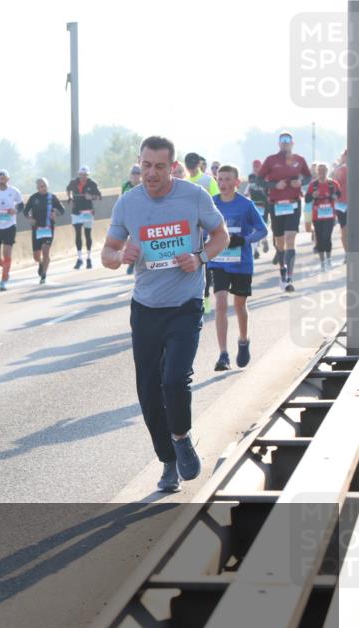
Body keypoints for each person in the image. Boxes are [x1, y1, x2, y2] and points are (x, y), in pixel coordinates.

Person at [102, 136, 228, 493]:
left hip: (185, 304)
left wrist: (200, 257)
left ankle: (181, 438)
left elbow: (221, 236)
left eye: (159, 166)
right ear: (139, 163)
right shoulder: (128, 203)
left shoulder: (194, 196)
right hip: (146, 308)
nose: (152, 173)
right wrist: (119, 257)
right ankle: (168, 460)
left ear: (172, 167)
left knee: (174, 380)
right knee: (148, 390)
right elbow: (107, 253)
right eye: (146, 165)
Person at [209, 166, 268, 371]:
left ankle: (243, 340)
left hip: (241, 263)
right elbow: (201, 228)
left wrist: (244, 240)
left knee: (239, 305)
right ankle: (223, 355)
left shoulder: (246, 205)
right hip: (219, 261)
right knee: (221, 303)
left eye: (227, 179)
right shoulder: (211, 204)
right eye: (220, 179)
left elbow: (262, 230)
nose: (223, 183)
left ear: (237, 182)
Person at [258, 131, 312, 292]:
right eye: (282, 140)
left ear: (292, 143)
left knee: (290, 238)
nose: (285, 142)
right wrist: (274, 185)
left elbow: (308, 177)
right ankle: (283, 269)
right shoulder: (271, 160)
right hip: (276, 204)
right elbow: (259, 180)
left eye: (288, 140)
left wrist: (300, 182)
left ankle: (289, 276)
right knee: (279, 241)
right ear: (279, 143)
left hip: (293, 203)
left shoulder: (299, 160)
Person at [184, 153, 220, 312]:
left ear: (199, 163)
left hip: (206, 230)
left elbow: (217, 202)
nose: (191, 167)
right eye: (189, 164)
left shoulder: (208, 180)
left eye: (193, 163)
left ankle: (205, 297)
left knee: (204, 263)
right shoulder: (183, 182)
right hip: (189, 231)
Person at [23, 178, 65, 284]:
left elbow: (62, 209)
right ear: (37, 187)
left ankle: (44, 275)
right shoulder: (33, 198)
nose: (44, 188)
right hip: (37, 229)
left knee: (46, 251)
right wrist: (29, 218)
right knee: (36, 256)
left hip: (48, 228)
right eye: (41, 186)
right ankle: (41, 262)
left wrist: (56, 214)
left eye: (45, 186)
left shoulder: (52, 197)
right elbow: (25, 211)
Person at [304, 163, 343, 271]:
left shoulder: (332, 183)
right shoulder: (313, 185)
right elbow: (307, 199)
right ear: (317, 172)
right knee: (320, 238)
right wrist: (313, 195)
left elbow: (339, 194)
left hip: (330, 215)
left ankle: (329, 259)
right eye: (320, 170)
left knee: (327, 237)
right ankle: (322, 262)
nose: (322, 173)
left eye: (324, 170)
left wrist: (335, 196)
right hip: (317, 216)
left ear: (327, 171)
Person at [66, 166, 102, 269]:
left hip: (87, 211)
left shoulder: (92, 184)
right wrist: (70, 198)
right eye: (81, 175)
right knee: (78, 234)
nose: (83, 177)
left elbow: (99, 197)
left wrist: (91, 197)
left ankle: (89, 258)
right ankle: (79, 258)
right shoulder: (73, 182)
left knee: (87, 234)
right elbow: (68, 189)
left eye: (85, 175)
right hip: (76, 211)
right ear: (79, 174)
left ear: (88, 175)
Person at [241, 160, 271, 257]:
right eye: (254, 166)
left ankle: (264, 240)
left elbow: (269, 188)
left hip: (264, 205)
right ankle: (255, 249)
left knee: (263, 224)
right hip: (254, 205)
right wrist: (246, 194)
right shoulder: (251, 177)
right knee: (254, 226)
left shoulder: (265, 176)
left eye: (257, 166)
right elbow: (249, 187)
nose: (256, 168)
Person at [333, 149, 349, 254]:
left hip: (354, 205)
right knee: (345, 229)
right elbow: (334, 187)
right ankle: (347, 254)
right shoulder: (340, 170)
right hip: (342, 204)